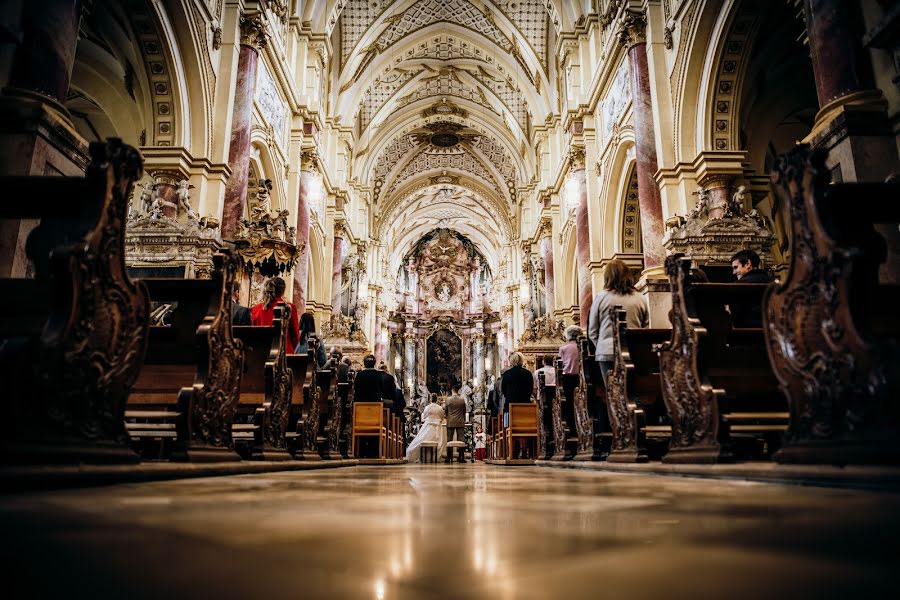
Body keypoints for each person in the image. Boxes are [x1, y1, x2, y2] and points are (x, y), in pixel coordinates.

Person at [588, 259, 649, 384]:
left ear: (607, 277)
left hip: (607, 352)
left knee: (613, 394)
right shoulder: (640, 298)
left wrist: (601, 346)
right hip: (633, 351)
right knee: (632, 390)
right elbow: (645, 328)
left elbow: (593, 331)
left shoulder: (601, 298)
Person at [251, 277, 300, 353]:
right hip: (284, 353)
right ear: (283, 292)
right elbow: (295, 335)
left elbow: (253, 334)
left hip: (262, 353)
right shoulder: (290, 307)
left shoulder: (256, 309)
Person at [501, 352, 533, 458]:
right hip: (525, 405)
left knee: (508, 427)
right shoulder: (528, 373)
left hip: (509, 406)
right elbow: (530, 389)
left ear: (511, 361)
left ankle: (512, 451)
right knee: (524, 427)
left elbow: (503, 391)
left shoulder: (507, 374)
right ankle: (524, 450)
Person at [730, 249, 773, 328]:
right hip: (771, 333)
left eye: (735, 267)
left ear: (747, 264)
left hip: (747, 335)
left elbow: (736, 319)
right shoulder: (772, 283)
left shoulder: (739, 285)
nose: (734, 272)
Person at [406, 394, 447, 463]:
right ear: (436, 400)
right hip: (437, 428)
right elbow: (442, 417)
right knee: (437, 442)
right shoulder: (439, 408)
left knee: (422, 439)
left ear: (430, 399)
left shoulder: (427, 407)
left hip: (428, 426)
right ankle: (434, 457)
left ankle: (423, 456)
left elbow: (425, 417)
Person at [444, 384, 467, 463]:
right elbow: (464, 411)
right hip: (460, 421)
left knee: (449, 440)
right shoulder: (462, 400)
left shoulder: (448, 400)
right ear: (458, 391)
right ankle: (461, 458)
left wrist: (448, 417)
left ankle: (448, 458)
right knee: (461, 440)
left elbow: (445, 411)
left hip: (450, 422)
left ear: (452, 391)